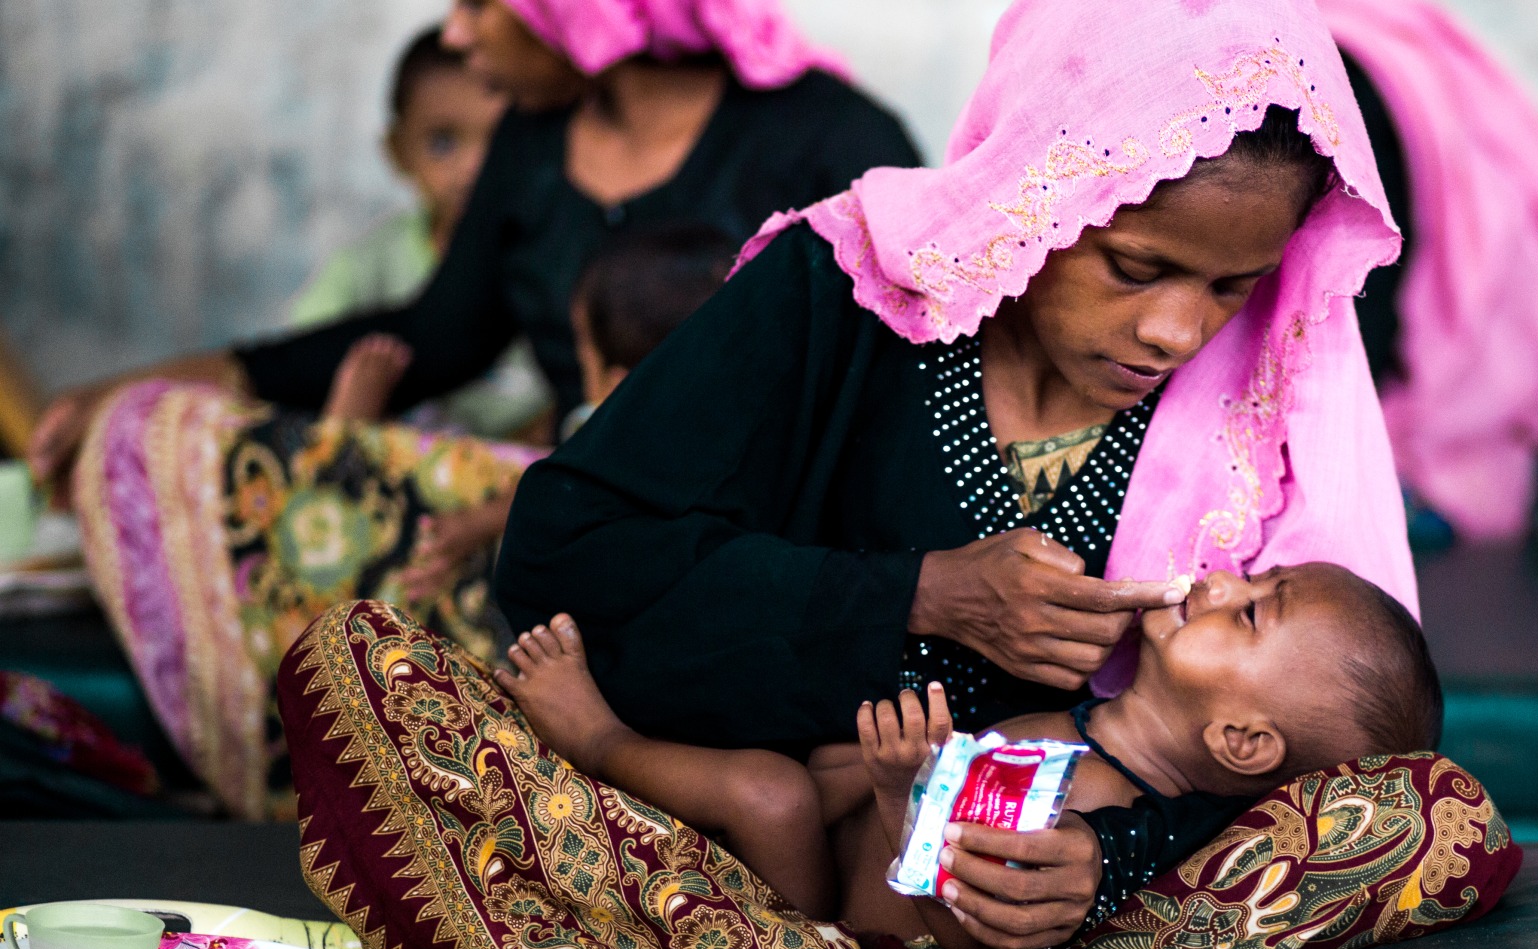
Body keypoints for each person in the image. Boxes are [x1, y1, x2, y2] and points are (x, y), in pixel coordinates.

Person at [281, 2, 1520, 949]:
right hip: (715, 834)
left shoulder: (1271, 385)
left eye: (1231, 287)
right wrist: (916, 597)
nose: (1177, 332)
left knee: (1429, 817)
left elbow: (1330, 742)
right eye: (1138, 265)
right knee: (357, 669)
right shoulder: (845, 287)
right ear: (1042, 186)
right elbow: (563, 557)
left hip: (1058, 926)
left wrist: (1110, 853)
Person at [43, 0, 920, 819]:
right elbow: (439, 333)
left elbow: (893, 391)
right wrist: (171, 384)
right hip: (560, 527)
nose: (459, 36)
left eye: (480, 4)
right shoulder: (535, 140)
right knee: (174, 432)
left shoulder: (832, 137)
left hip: (746, 555)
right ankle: (410, 792)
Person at [493, 562, 1442, 942]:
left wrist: (902, 800)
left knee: (769, 792)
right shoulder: (1077, 722)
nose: (1224, 579)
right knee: (806, 769)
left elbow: (903, 935)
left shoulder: (1081, 811)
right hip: (816, 861)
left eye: (1250, 612)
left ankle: (596, 737)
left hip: (837, 936)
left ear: (1241, 740)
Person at [1322, 0, 1538, 568]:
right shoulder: (1417, 47)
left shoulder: (1324, 67)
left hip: (1387, 441)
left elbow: (1354, 324)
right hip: (1491, 436)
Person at [322, 224, 736, 602]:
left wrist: (475, 522)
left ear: (619, 385)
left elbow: (559, 488)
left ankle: (342, 445)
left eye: (583, 349)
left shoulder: (609, 450)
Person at [290, 26, 551, 441]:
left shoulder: (554, 263)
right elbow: (301, 377)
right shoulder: (362, 270)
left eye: (502, 140)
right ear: (398, 151)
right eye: (443, 142)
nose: (476, 166)